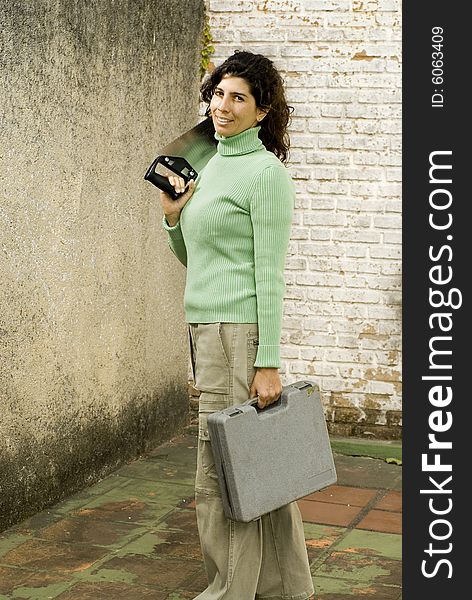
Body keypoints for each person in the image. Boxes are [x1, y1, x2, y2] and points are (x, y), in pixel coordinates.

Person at [160, 50, 315, 600]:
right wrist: (174, 217)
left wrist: (267, 361)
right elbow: (197, 260)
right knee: (260, 469)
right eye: (218, 94)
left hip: (237, 334)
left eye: (238, 98)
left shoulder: (265, 174)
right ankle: (286, 589)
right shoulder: (208, 164)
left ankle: (227, 592)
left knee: (222, 473)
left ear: (262, 111)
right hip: (206, 330)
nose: (222, 106)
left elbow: (268, 274)